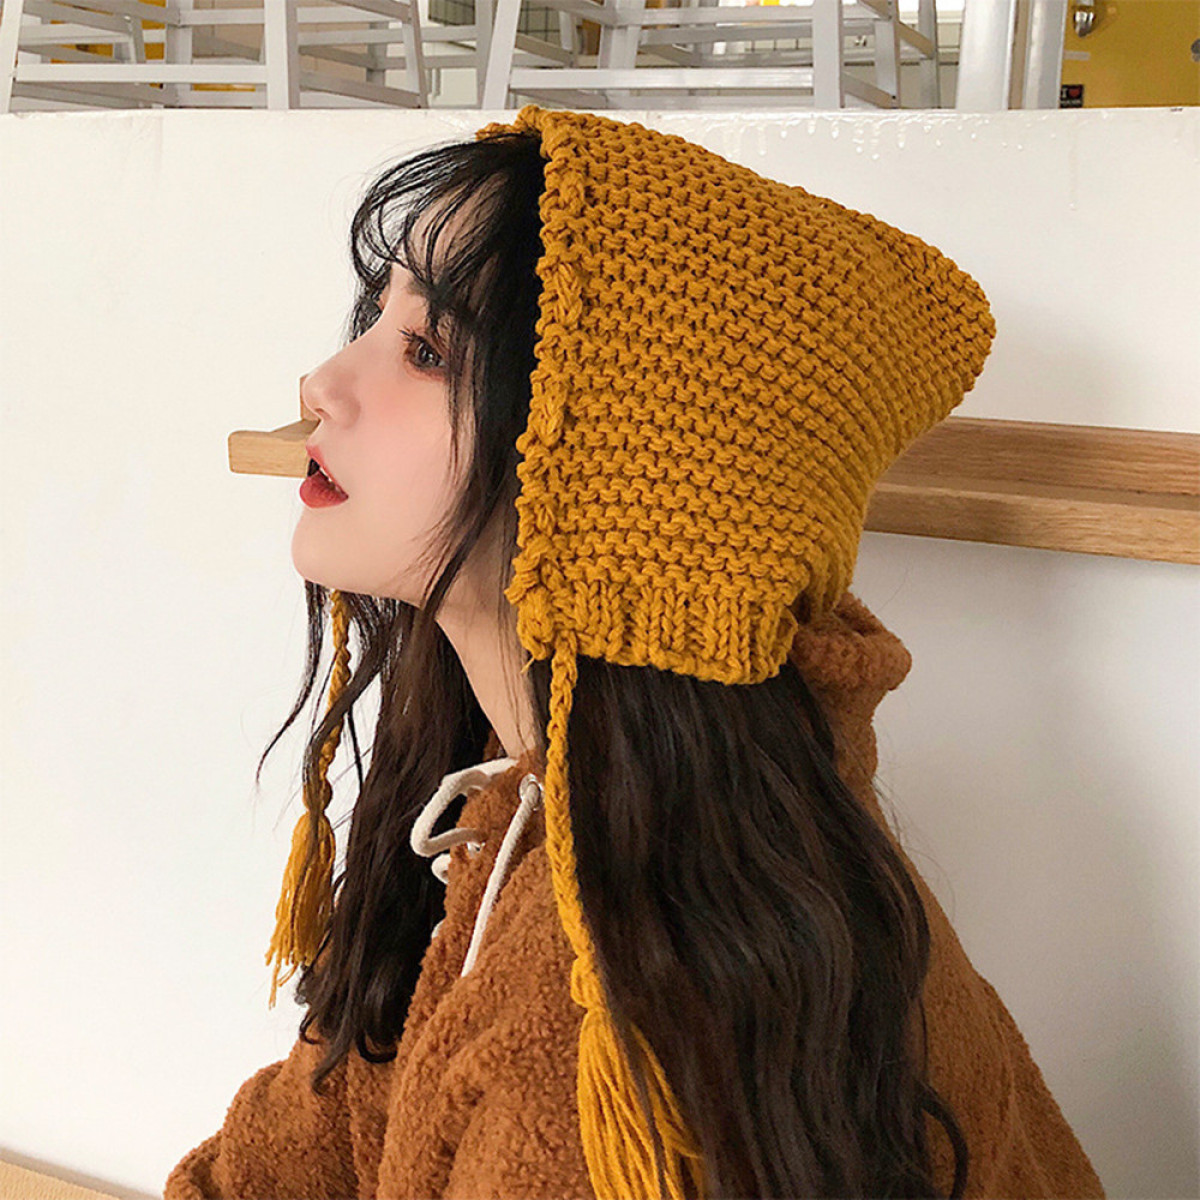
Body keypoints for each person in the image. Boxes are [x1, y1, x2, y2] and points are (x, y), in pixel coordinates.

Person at [164, 105, 1106, 1199]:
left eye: (426, 351)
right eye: (376, 319)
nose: (323, 382)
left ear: (613, 490)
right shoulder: (549, 817)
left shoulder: (613, 1044)